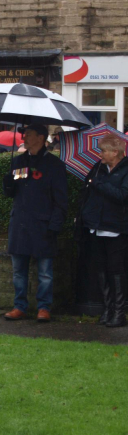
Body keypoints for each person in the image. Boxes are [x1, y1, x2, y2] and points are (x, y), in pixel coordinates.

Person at [2, 124, 68, 323]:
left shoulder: (54, 165)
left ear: (41, 138)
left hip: (43, 225)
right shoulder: (19, 161)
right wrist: (8, 183)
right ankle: (19, 306)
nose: (24, 137)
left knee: (45, 273)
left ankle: (43, 307)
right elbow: (14, 191)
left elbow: (61, 199)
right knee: (18, 271)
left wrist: (55, 225)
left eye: (28, 135)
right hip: (20, 224)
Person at [80, 134, 128, 328]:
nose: (100, 154)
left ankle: (119, 312)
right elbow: (88, 187)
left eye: (103, 151)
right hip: (96, 226)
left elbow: (122, 195)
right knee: (100, 269)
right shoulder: (99, 168)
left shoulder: (125, 171)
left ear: (115, 152)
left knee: (116, 270)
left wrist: (99, 185)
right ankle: (107, 309)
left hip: (116, 228)